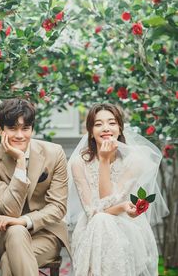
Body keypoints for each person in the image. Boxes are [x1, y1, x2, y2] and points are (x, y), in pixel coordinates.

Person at [67, 103, 169, 276]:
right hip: (92, 226)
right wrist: (104, 160)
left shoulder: (134, 160)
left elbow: (108, 203)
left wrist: (105, 161)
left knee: (103, 220)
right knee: (101, 220)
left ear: (120, 129)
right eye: (98, 124)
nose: (106, 128)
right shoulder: (79, 162)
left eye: (112, 123)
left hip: (127, 224)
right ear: (91, 132)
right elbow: (93, 211)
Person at [0, 98, 70, 276]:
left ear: (32, 128)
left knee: (8, 262)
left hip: (46, 233)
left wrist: (23, 221)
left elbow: (58, 207)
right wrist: (21, 162)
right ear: (0, 129)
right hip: (4, 233)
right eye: (12, 128)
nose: (20, 135)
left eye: (25, 128)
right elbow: (11, 210)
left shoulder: (54, 153)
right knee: (15, 231)